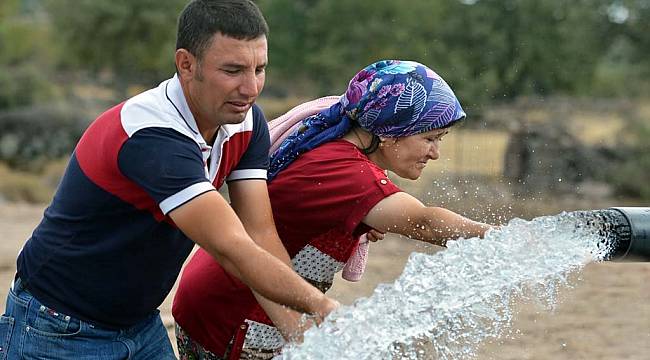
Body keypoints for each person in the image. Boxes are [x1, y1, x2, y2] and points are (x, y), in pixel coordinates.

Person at [0, 1, 337, 359]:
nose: (251, 87)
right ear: (186, 64)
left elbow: (261, 235)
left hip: (140, 325)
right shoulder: (152, 135)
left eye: (259, 68)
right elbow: (231, 249)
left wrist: (301, 337)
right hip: (58, 326)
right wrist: (322, 307)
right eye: (233, 70)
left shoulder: (246, 121)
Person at [172, 60, 494, 359]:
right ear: (388, 130)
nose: (435, 152)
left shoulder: (336, 147)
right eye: (429, 138)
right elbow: (424, 224)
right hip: (233, 314)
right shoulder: (346, 172)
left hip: (221, 296)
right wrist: (502, 239)